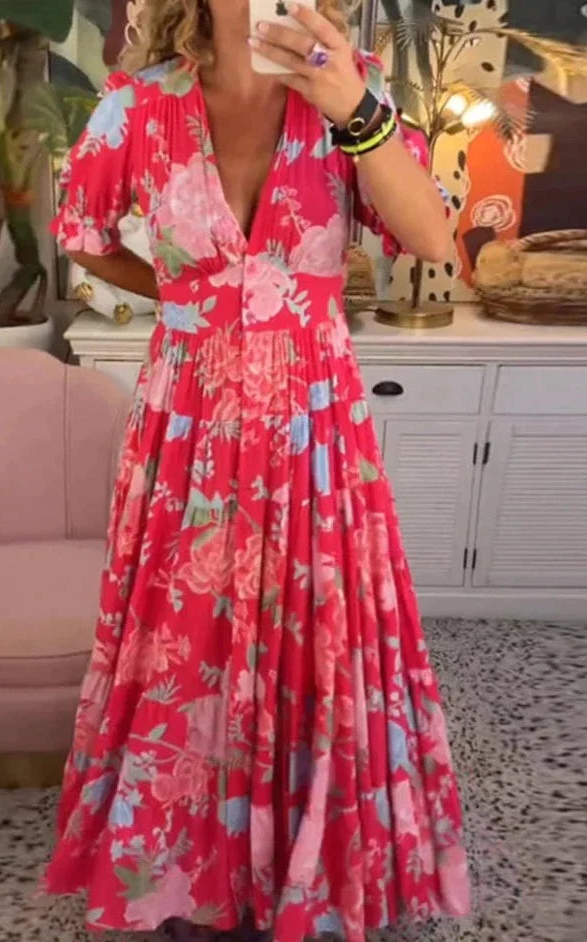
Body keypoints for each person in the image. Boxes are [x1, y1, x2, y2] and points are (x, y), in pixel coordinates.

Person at [43, 2, 470, 939]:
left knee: (316, 634)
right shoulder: (137, 103)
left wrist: (353, 106)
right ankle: (186, 870)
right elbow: (80, 230)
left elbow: (432, 238)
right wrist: (191, 293)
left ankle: (306, 869)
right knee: (185, 641)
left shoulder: (348, 88)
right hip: (187, 427)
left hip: (313, 428)